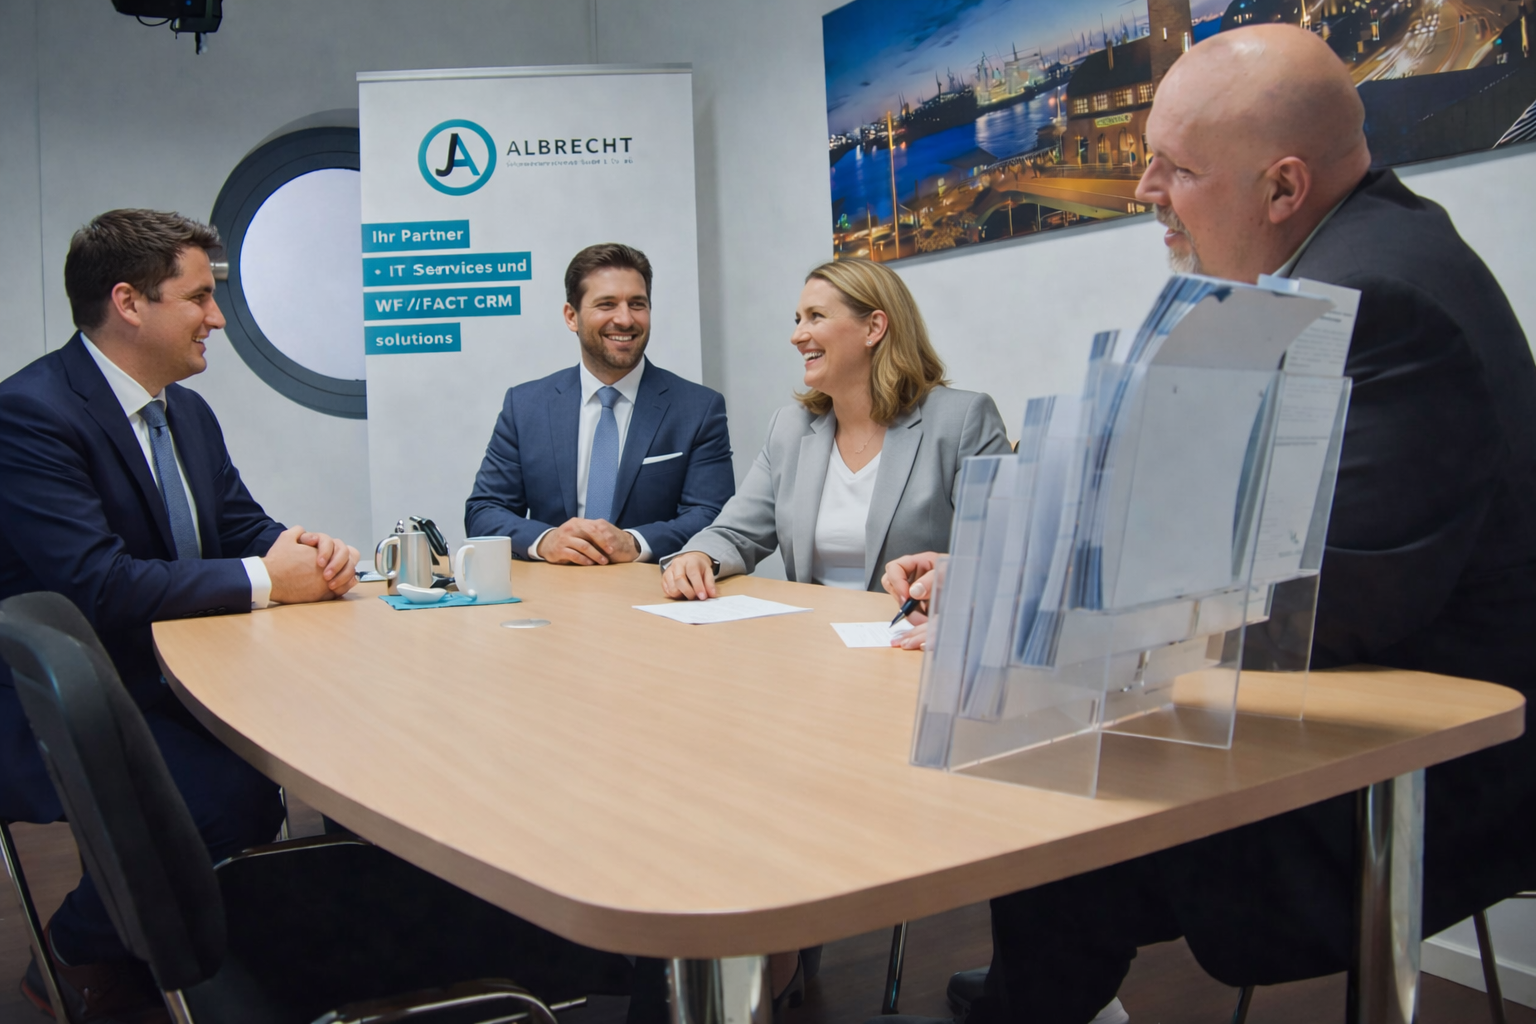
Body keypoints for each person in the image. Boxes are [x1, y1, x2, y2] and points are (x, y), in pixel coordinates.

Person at [881, 24, 1536, 1024]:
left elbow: (1334, 598)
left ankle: (1036, 1002)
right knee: (1058, 759)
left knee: (1045, 770)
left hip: (1431, 765)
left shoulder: (1377, 298)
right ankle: (1041, 996)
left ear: (1282, 188)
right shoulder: (1352, 262)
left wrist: (1035, 605)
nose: (1144, 189)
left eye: (1176, 169)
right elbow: (1209, 529)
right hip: (1362, 701)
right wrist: (1006, 569)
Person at [0, 209, 362, 1017]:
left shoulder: (185, 412)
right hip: (56, 703)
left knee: (330, 747)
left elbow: (241, 526)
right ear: (129, 303)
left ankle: (240, 936)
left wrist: (307, 551)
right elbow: (97, 586)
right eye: (199, 297)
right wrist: (269, 580)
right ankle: (74, 948)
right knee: (220, 802)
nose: (217, 318)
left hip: (169, 676)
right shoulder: (29, 414)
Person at [661, 258, 1010, 602]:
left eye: (816, 316)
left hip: (913, 630)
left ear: (874, 328)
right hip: (811, 632)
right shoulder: (789, 428)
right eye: (798, 320)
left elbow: (1007, 551)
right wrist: (700, 556)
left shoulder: (961, 420)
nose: (797, 336)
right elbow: (735, 531)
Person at [465, 243, 734, 565]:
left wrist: (635, 543)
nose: (625, 319)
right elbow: (484, 511)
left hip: (653, 589)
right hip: (551, 589)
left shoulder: (698, 409)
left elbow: (712, 515)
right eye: (607, 304)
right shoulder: (525, 407)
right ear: (572, 316)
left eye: (637, 304)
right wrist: (546, 540)